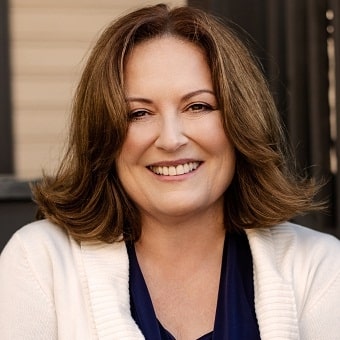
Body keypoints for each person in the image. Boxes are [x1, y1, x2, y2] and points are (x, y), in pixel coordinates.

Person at [1, 3, 340, 339]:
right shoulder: (39, 262)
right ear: (104, 136)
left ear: (241, 122)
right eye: (139, 113)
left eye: (198, 106)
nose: (171, 139)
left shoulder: (319, 268)